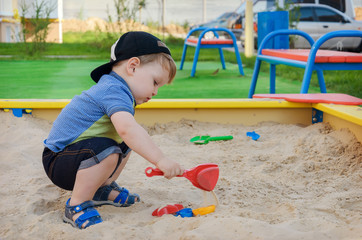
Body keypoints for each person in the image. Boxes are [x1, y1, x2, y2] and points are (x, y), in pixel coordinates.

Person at [42, 31, 184, 229]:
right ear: (133, 66)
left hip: (76, 156)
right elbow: (127, 129)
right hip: (58, 161)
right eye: (155, 82)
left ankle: (100, 189)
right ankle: (76, 205)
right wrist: (160, 159)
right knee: (112, 146)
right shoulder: (112, 89)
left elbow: (128, 135)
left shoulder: (120, 90)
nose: (155, 92)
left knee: (124, 143)